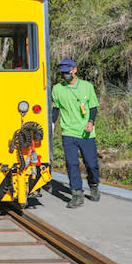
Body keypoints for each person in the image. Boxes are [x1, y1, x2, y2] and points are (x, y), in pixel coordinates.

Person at [51, 58, 100, 208]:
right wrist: (52, 124)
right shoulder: (57, 89)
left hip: (86, 133)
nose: (65, 74)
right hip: (68, 132)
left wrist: (91, 122)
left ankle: (93, 185)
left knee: (91, 164)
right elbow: (55, 108)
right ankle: (77, 194)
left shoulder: (87, 86)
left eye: (67, 71)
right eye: (62, 72)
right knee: (72, 164)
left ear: (74, 70)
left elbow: (93, 107)